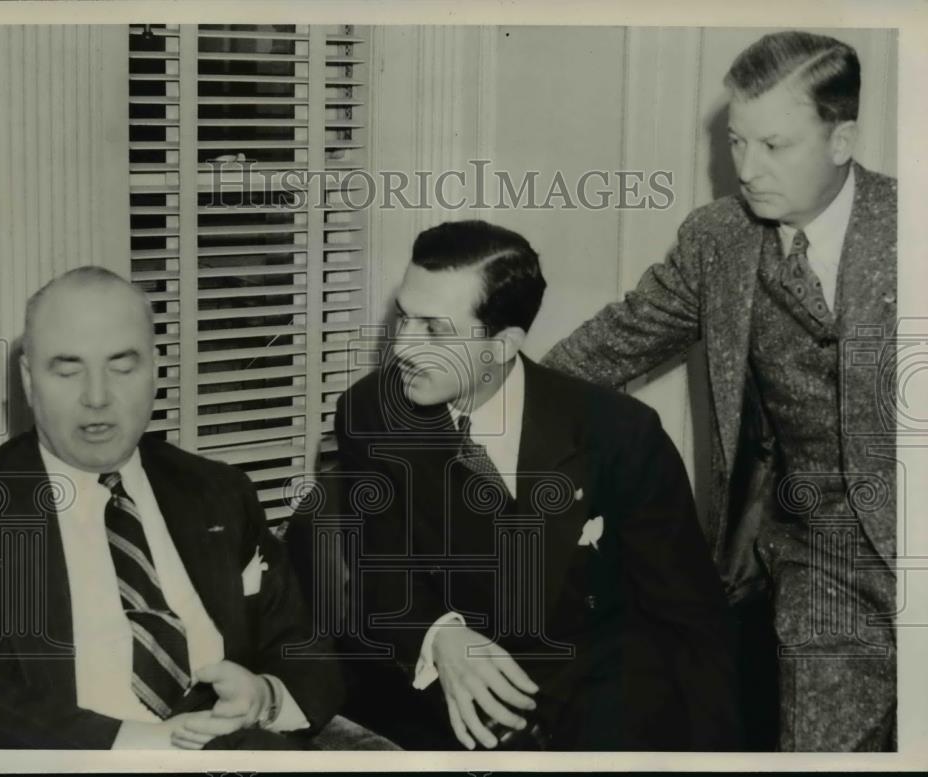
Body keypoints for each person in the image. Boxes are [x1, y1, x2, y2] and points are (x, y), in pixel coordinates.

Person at [542, 31, 897, 752]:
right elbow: (613, 342)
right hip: (819, 564)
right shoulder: (719, 241)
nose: (747, 169)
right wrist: (497, 394)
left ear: (842, 138)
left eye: (774, 145)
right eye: (737, 142)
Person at [333, 220, 739, 750]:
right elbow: (377, 569)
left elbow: (689, 621)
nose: (402, 348)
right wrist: (442, 636)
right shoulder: (369, 414)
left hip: (595, 695)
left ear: (502, 346)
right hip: (440, 686)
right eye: (402, 319)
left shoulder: (619, 433)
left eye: (433, 330)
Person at [0, 266, 343, 749]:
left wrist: (263, 696)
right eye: (68, 368)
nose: (96, 398)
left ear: (156, 370)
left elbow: (306, 652)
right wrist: (142, 745)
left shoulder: (219, 491)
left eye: (122, 367)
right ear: (27, 378)